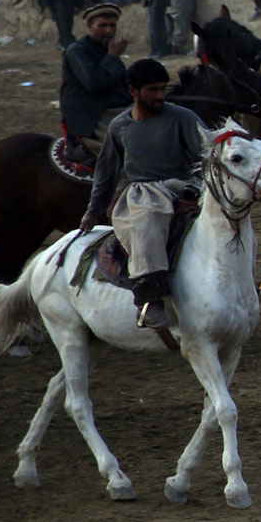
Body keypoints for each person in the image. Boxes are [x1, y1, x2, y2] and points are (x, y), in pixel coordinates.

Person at [80, 58, 211, 329]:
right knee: (147, 220)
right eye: (153, 89)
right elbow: (106, 174)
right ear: (134, 91)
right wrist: (93, 211)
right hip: (143, 192)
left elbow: (209, 155)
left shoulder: (183, 118)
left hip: (185, 184)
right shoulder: (120, 127)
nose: (160, 95)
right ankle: (150, 297)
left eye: (163, 88)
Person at [60, 0, 133, 163]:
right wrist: (113, 57)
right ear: (90, 26)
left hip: (115, 108)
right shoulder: (77, 50)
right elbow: (94, 83)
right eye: (103, 26)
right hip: (90, 114)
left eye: (112, 26)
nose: (109, 31)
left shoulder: (107, 48)